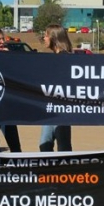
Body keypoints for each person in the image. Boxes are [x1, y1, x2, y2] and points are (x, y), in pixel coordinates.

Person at [39, 24, 72, 152]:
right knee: (45, 145)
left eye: (46, 35)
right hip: (51, 108)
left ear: (54, 37)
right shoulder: (55, 57)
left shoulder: (65, 58)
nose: (44, 38)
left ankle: (64, 171)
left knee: (62, 146)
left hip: (61, 109)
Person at [0, 28, 22, 152]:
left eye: (2, 39)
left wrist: (9, 58)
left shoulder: (7, 55)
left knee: (14, 145)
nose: (1, 42)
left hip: (6, 107)